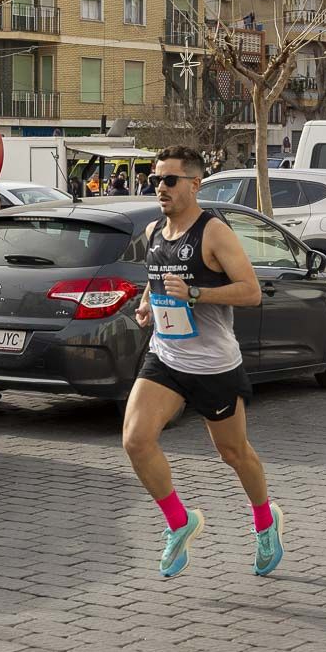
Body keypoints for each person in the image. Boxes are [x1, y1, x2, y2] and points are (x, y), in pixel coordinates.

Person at [122, 145, 283, 580]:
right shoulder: (156, 231)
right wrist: (147, 308)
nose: (160, 187)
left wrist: (196, 294)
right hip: (166, 358)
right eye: (156, 179)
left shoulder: (213, 233)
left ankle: (266, 522)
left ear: (194, 184)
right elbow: (157, 282)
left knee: (233, 452)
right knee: (136, 441)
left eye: (170, 180)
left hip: (213, 365)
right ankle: (179, 522)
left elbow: (250, 291)